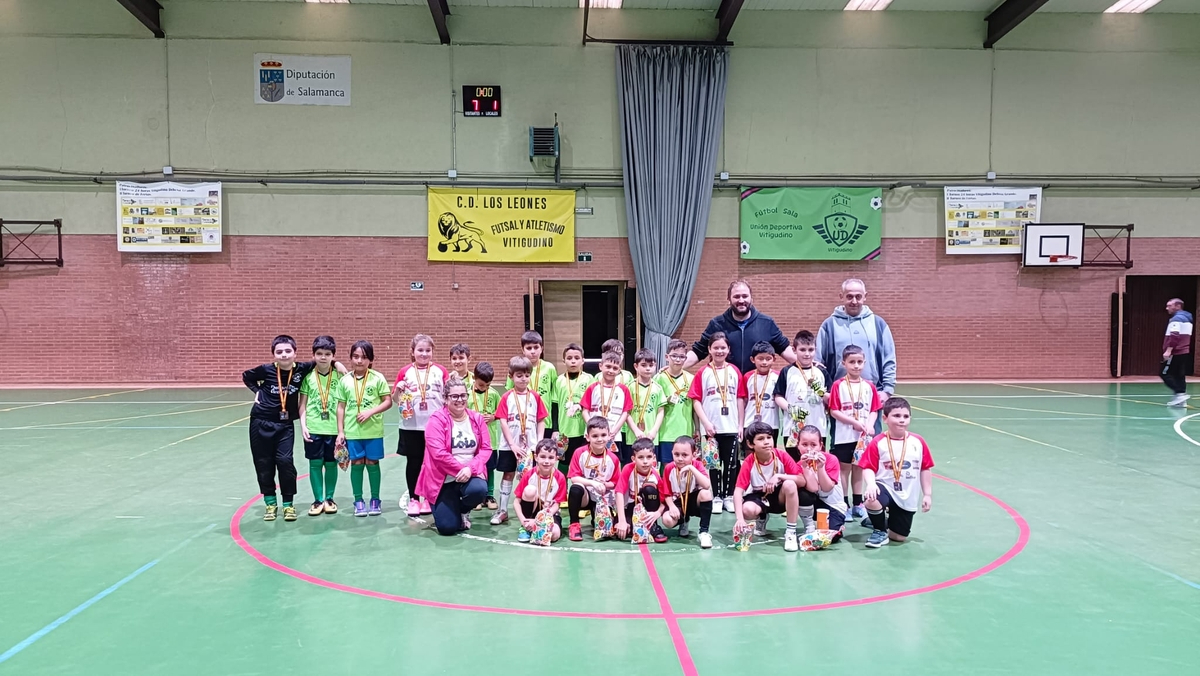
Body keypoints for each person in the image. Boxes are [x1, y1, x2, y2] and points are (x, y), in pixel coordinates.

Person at [242, 335, 343, 522]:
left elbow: (324, 359)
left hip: (285, 424)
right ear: (273, 354)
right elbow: (247, 376)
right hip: (260, 421)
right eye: (279, 352)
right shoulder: (265, 370)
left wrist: (337, 364)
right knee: (264, 463)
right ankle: (270, 503)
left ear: (295, 353)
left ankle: (288, 504)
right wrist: (258, 393)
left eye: (288, 351)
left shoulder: (302, 369)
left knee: (285, 461)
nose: (284, 355)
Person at [415, 375, 492, 535]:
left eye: (463, 395)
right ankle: (447, 507)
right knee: (448, 528)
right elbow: (438, 454)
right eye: (454, 396)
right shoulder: (436, 420)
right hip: (443, 480)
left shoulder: (476, 418)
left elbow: (486, 449)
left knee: (479, 489)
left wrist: (470, 469)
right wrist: (460, 469)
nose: (459, 399)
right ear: (445, 398)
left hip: (469, 475)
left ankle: (463, 511)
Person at [859, 397, 934, 549]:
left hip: (907, 494)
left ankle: (876, 520)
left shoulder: (918, 442)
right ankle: (879, 531)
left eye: (906, 416)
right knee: (871, 499)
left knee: (899, 537)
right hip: (885, 487)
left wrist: (927, 494)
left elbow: (925, 468)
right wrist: (871, 484)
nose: (902, 420)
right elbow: (867, 467)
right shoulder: (878, 442)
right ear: (885, 418)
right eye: (897, 416)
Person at [817, 279, 897, 409]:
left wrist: (887, 391)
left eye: (858, 297)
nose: (854, 301)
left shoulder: (878, 324)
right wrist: (824, 393)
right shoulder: (829, 325)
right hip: (838, 395)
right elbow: (819, 362)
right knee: (839, 430)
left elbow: (889, 359)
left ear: (865, 296)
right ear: (841, 297)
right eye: (849, 296)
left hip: (872, 393)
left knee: (870, 429)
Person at [685, 280, 795, 375]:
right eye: (736, 296)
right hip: (727, 386)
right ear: (729, 299)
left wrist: (806, 365)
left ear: (751, 298)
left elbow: (784, 348)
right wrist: (675, 367)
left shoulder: (767, 323)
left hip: (756, 387)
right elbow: (698, 351)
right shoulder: (716, 324)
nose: (741, 300)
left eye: (745, 296)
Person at [335, 340, 393, 518]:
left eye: (364, 357)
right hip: (353, 432)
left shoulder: (378, 378)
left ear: (371, 360)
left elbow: (387, 401)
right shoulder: (344, 380)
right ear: (351, 358)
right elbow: (341, 407)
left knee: (372, 463)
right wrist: (341, 431)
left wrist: (370, 412)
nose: (359, 361)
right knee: (357, 464)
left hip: (373, 431)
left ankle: (375, 499)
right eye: (356, 357)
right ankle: (358, 500)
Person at [393, 334, 449, 517]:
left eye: (428, 350)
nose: (424, 354)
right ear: (412, 352)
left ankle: (428, 498)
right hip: (411, 426)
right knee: (414, 463)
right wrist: (399, 390)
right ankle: (414, 499)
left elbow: (448, 398)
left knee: (432, 463)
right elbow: (396, 400)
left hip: (435, 426)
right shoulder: (405, 372)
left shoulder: (440, 371)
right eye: (420, 350)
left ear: (432, 352)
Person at [490, 356, 549, 525]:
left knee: (529, 477)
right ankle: (503, 510)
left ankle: (531, 511)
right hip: (510, 446)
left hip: (529, 447)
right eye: (519, 375)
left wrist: (539, 443)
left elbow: (541, 420)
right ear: (511, 376)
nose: (523, 379)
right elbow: (502, 421)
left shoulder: (536, 397)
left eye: (526, 375)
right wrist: (512, 444)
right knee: (508, 474)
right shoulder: (507, 397)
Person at [688, 332, 741, 514]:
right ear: (709, 349)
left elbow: (740, 399)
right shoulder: (703, 372)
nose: (719, 351)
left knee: (731, 463)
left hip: (731, 426)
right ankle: (716, 495)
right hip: (710, 428)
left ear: (728, 350)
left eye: (723, 348)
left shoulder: (734, 371)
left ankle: (728, 496)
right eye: (715, 347)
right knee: (713, 463)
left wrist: (740, 425)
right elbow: (696, 400)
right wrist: (706, 423)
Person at [828, 345, 882, 522]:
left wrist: (869, 424)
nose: (856, 366)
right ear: (844, 363)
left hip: (863, 437)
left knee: (860, 468)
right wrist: (854, 423)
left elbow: (874, 409)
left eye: (859, 362)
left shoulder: (869, 387)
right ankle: (845, 504)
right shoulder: (838, 385)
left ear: (864, 363)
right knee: (844, 469)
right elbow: (834, 411)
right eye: (852, 362)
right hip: (844, 436)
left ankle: (858, 504)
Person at [732, 422, 804, 553]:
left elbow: (801, 480)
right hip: (759, 497)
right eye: (760, 439)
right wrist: (740, 520)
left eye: (769, 437)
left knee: (790, 484)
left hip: (780, 497)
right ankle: (761, 517)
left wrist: (779, 476)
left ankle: (791, 532)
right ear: (750, 444)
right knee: (746, 510)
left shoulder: (782, 456)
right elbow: (738, 492)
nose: (766, 442)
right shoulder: (749, 461)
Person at [297, 335, 341, 516]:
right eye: (319, 353)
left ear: (333, 356)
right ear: (313, 355)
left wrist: (341, 431)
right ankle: (318, 500)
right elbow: (302, 404)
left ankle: (329, 499)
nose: (323, 357)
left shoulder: (339, 375)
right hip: (314, 428)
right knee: (315, 464)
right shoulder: (308, 377)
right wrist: (303, 425)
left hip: (333, 429)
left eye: (328, 354)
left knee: (331, 464)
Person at [774, 330, 831, 458]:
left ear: (815, 350)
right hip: (792, 429)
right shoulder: (787, 371)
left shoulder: (821, 371)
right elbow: (778, 396)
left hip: (817, 428)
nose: (807, 354)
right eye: (802, 349)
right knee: (794, 466)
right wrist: (789, 408)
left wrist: (821, 392)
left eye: (811, 350)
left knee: (816, 464)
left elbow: (831, 400)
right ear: (794, 350)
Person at [565, 417, 621, 541]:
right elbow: (574, 478)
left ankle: (596, 517)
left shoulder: (613, 458)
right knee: (575, 488)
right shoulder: (579, 453)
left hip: (603, 498)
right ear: (587, 437)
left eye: (603, 435)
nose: (600, 439)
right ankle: (574, 524)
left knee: (605, 528)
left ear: (609, 436)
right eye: (595, 436)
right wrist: (592, 483)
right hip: (585, 496)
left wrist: (605, 484)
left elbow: (616, 482)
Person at [660, 436, 714, 548]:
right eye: (676, 454)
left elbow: (707, 485)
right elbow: (666, 493)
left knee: (706, 494)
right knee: (667, 520)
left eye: (685, 455)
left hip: (694, 500)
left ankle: (704, 532)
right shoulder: (669, 468)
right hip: (678, 502)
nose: (680, 458)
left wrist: (691, 468)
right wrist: (671, 506)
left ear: (694, 455)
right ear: (672, 453)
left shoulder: (697, 465)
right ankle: (684, 521)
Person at [793, 425, 846, 536]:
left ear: (820, 445)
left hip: (834, 506)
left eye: (813, 445)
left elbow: (827, 488)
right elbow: (813, 488)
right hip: (816, 504)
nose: (809, 449)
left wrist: (821, 467)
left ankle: (838, 526)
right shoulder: (799, 465)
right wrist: (805, 467)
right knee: (801, 492)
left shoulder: (831, 459)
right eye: (804, 444)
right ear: (798, 445)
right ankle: (809, 526)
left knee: (828, 536)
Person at [581, 351, 633, 463]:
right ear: (601, 366)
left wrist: (614, 431)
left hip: (614, 436)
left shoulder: (623, 390)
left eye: (615, 368)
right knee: (591, 461)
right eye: (608, 366)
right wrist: (591, 427)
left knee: (613, 462)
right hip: (593, 435)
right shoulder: (592, 388)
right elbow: (585, 410)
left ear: (619, 370)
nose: (611, 370)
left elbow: (625, 412)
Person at [614, 438, 667, 543]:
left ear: (654, 458)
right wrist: (622, 521)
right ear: (634, 459)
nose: (645, 461)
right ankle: (630, 523)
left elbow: (664, 498)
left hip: (648, 510)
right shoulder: (628, 469)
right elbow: (619, 493)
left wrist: (658, 513)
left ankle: (653, 525)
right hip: (630, 507)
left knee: (649, 489)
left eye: (649, 457)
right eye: (641, 457)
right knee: (620, 532)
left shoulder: (655, 475)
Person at [514, 440, 567, 544]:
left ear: (556, 458)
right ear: (536, 457)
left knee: (555, 535)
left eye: (551, 457)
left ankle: (535, 528)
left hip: (550, 513)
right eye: (543, 457)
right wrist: (523, 521)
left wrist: (540, 520)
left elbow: (557, 504)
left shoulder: (560, 477)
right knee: (530, 490)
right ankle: (526, 528)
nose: (546, 461)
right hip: (532, 512)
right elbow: (516, 501)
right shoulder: (529, 474)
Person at [552, 343, 594, 473]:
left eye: (577, 358)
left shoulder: (589, 379)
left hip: (583, 431)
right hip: (564, 432)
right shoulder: (559, 380)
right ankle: (562, 491)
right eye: (569, 358)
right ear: (564, 360)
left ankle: (581, 491)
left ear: (583, 360)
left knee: (583, 462)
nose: (573, 361)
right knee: (563, 463)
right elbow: (555, 406)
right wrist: (555, 429)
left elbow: (592, 404)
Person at [506, 331, 558, 431]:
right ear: (523, 349)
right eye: (529, 348)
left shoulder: (549, 368)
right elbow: (509, 396)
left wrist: (556, 429)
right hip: (521, 421)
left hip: (545, 422)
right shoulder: (515, 368)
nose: (533, 351)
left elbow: (554, 400)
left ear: (542, 348)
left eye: (536, 347)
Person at [655, 339, 696, 465]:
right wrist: (665, 401)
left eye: (681, 356)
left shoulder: (691, 378)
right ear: (667, 357)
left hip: (686, 431)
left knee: (686, 467)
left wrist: (697, 428)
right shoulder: (659, 378)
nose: (677, 360)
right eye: (674, 356)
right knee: (667, 468)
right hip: (665, 432)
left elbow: (695, 405)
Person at [468, 362, 501, 510]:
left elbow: (501, 413)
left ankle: (489, 495)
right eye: (481, 385)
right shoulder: (467, 394)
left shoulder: (494, 393)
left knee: (490, 467)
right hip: (472, 440)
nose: (485, 388)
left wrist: (493, 417)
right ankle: (477, 496)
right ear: (474, 378)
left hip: (490, 440)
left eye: (487, 385)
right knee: (475, 467)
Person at [626, 349, 667, 466]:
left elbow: (660, 411)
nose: (648, 368)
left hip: (652, 437)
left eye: (651, 365)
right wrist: (635, 430)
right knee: (633, 467)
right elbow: (626, 412)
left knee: (651, 468)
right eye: (643, 365)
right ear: (636, 366)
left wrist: (654, 431)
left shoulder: (658, 388)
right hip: (633, 436)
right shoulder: (629, 387)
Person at [738, 341, 780, 450]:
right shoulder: (747, 377)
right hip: (749, 423)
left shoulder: (778, 376)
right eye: (760, 358)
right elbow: (744, 401)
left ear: (774, 359)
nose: (764, 362)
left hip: (772, 424)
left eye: (768, 358)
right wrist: (740, 425)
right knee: (749, 456)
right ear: (753, 359)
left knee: (770, 455)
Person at [1162, 298, 1194, 407]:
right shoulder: (1188, 318)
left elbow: (1174, 335)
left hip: (1176, 352)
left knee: (1164, 373)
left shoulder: (1176, 319)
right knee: (1179, 375)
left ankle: (1180, 394)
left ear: (1178, 306)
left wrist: (1168, 350)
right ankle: (1181, 401)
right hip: (1184, 350)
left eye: (1169, 305)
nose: (1167, 308)